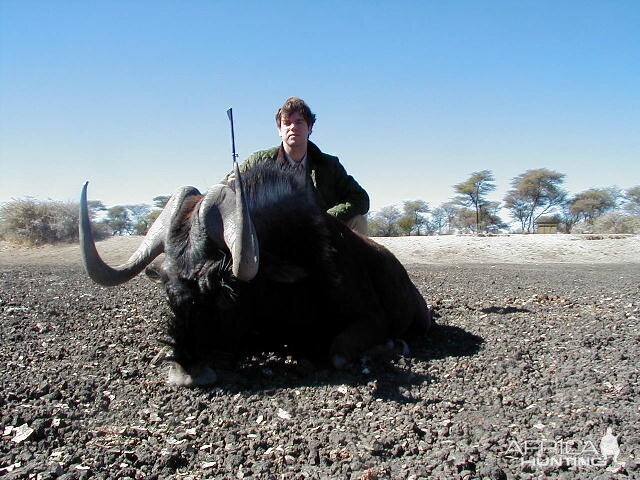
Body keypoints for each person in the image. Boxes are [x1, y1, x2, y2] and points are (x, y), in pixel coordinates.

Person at [228, 97, 369, 234]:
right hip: (275, 235)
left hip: (319, 232)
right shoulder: (260, 160)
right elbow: (224, 188)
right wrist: (233, 183)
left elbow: (361, 198)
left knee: (358, 220)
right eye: (287, 123)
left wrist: (327, 218)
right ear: (279, 130)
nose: (293, 127)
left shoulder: (329, 165)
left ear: (310, 128)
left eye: (299, 122)